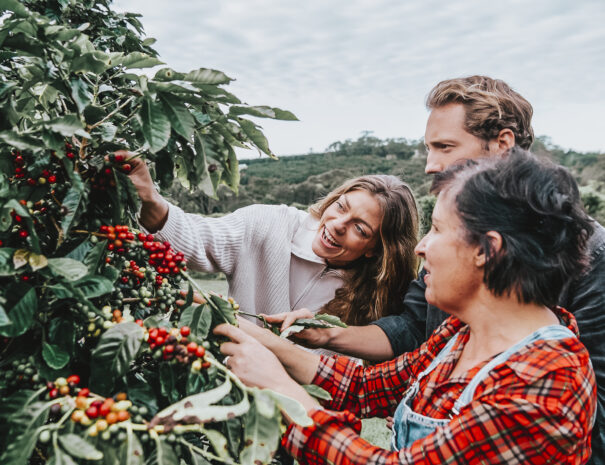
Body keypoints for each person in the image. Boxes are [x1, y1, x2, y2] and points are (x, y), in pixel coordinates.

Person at [265, 75, 605, 463]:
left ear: (486, 250)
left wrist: (281, 389)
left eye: (444, 146)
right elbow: (374, 377)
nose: (422, 247)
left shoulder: (544, 379)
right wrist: (284, 340)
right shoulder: (459, 333)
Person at [122, 157, 420, 329]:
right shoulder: (270, 223)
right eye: (342, 207)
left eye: (360, 228)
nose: (338, 225)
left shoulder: (375, 298)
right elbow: (199, 241)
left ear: (375, 249)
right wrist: (152, 203)